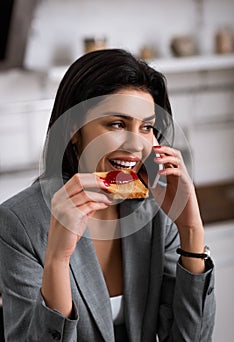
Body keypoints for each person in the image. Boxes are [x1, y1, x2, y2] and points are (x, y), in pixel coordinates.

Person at [0, 48, 215, 341]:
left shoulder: (156, 211)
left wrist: (191, 230)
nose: (136, 145)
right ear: (74, 129)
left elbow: (191, 337)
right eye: (116, 123)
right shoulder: (18, 223)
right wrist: (57, 260)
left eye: (147, 127)